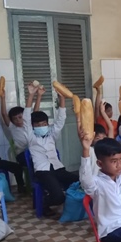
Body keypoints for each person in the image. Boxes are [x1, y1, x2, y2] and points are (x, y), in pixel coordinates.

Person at [24, 83, 78, 216]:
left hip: (57, 167)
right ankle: (44, 203)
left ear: (47, 124)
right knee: (58, 196)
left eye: (44, 124)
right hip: (43, 171)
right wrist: (31, 95)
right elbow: (26, 118)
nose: (42, 126)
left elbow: (60, 120)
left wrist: (62, 98)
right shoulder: (31, 138)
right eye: (38, 125)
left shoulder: (51, 134)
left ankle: (73, 204)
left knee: (80, 180)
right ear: (33, 126)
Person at [0, 85, 44, 167]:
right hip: (22, 154)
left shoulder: (30, 124)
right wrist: (2, 98)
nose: (18, 120)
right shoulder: (12, 127)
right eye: (15, 119)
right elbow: (4, 114)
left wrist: (39, 96)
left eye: (20, 117)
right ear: (12, 121)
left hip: (34, 151)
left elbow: (35, 111)